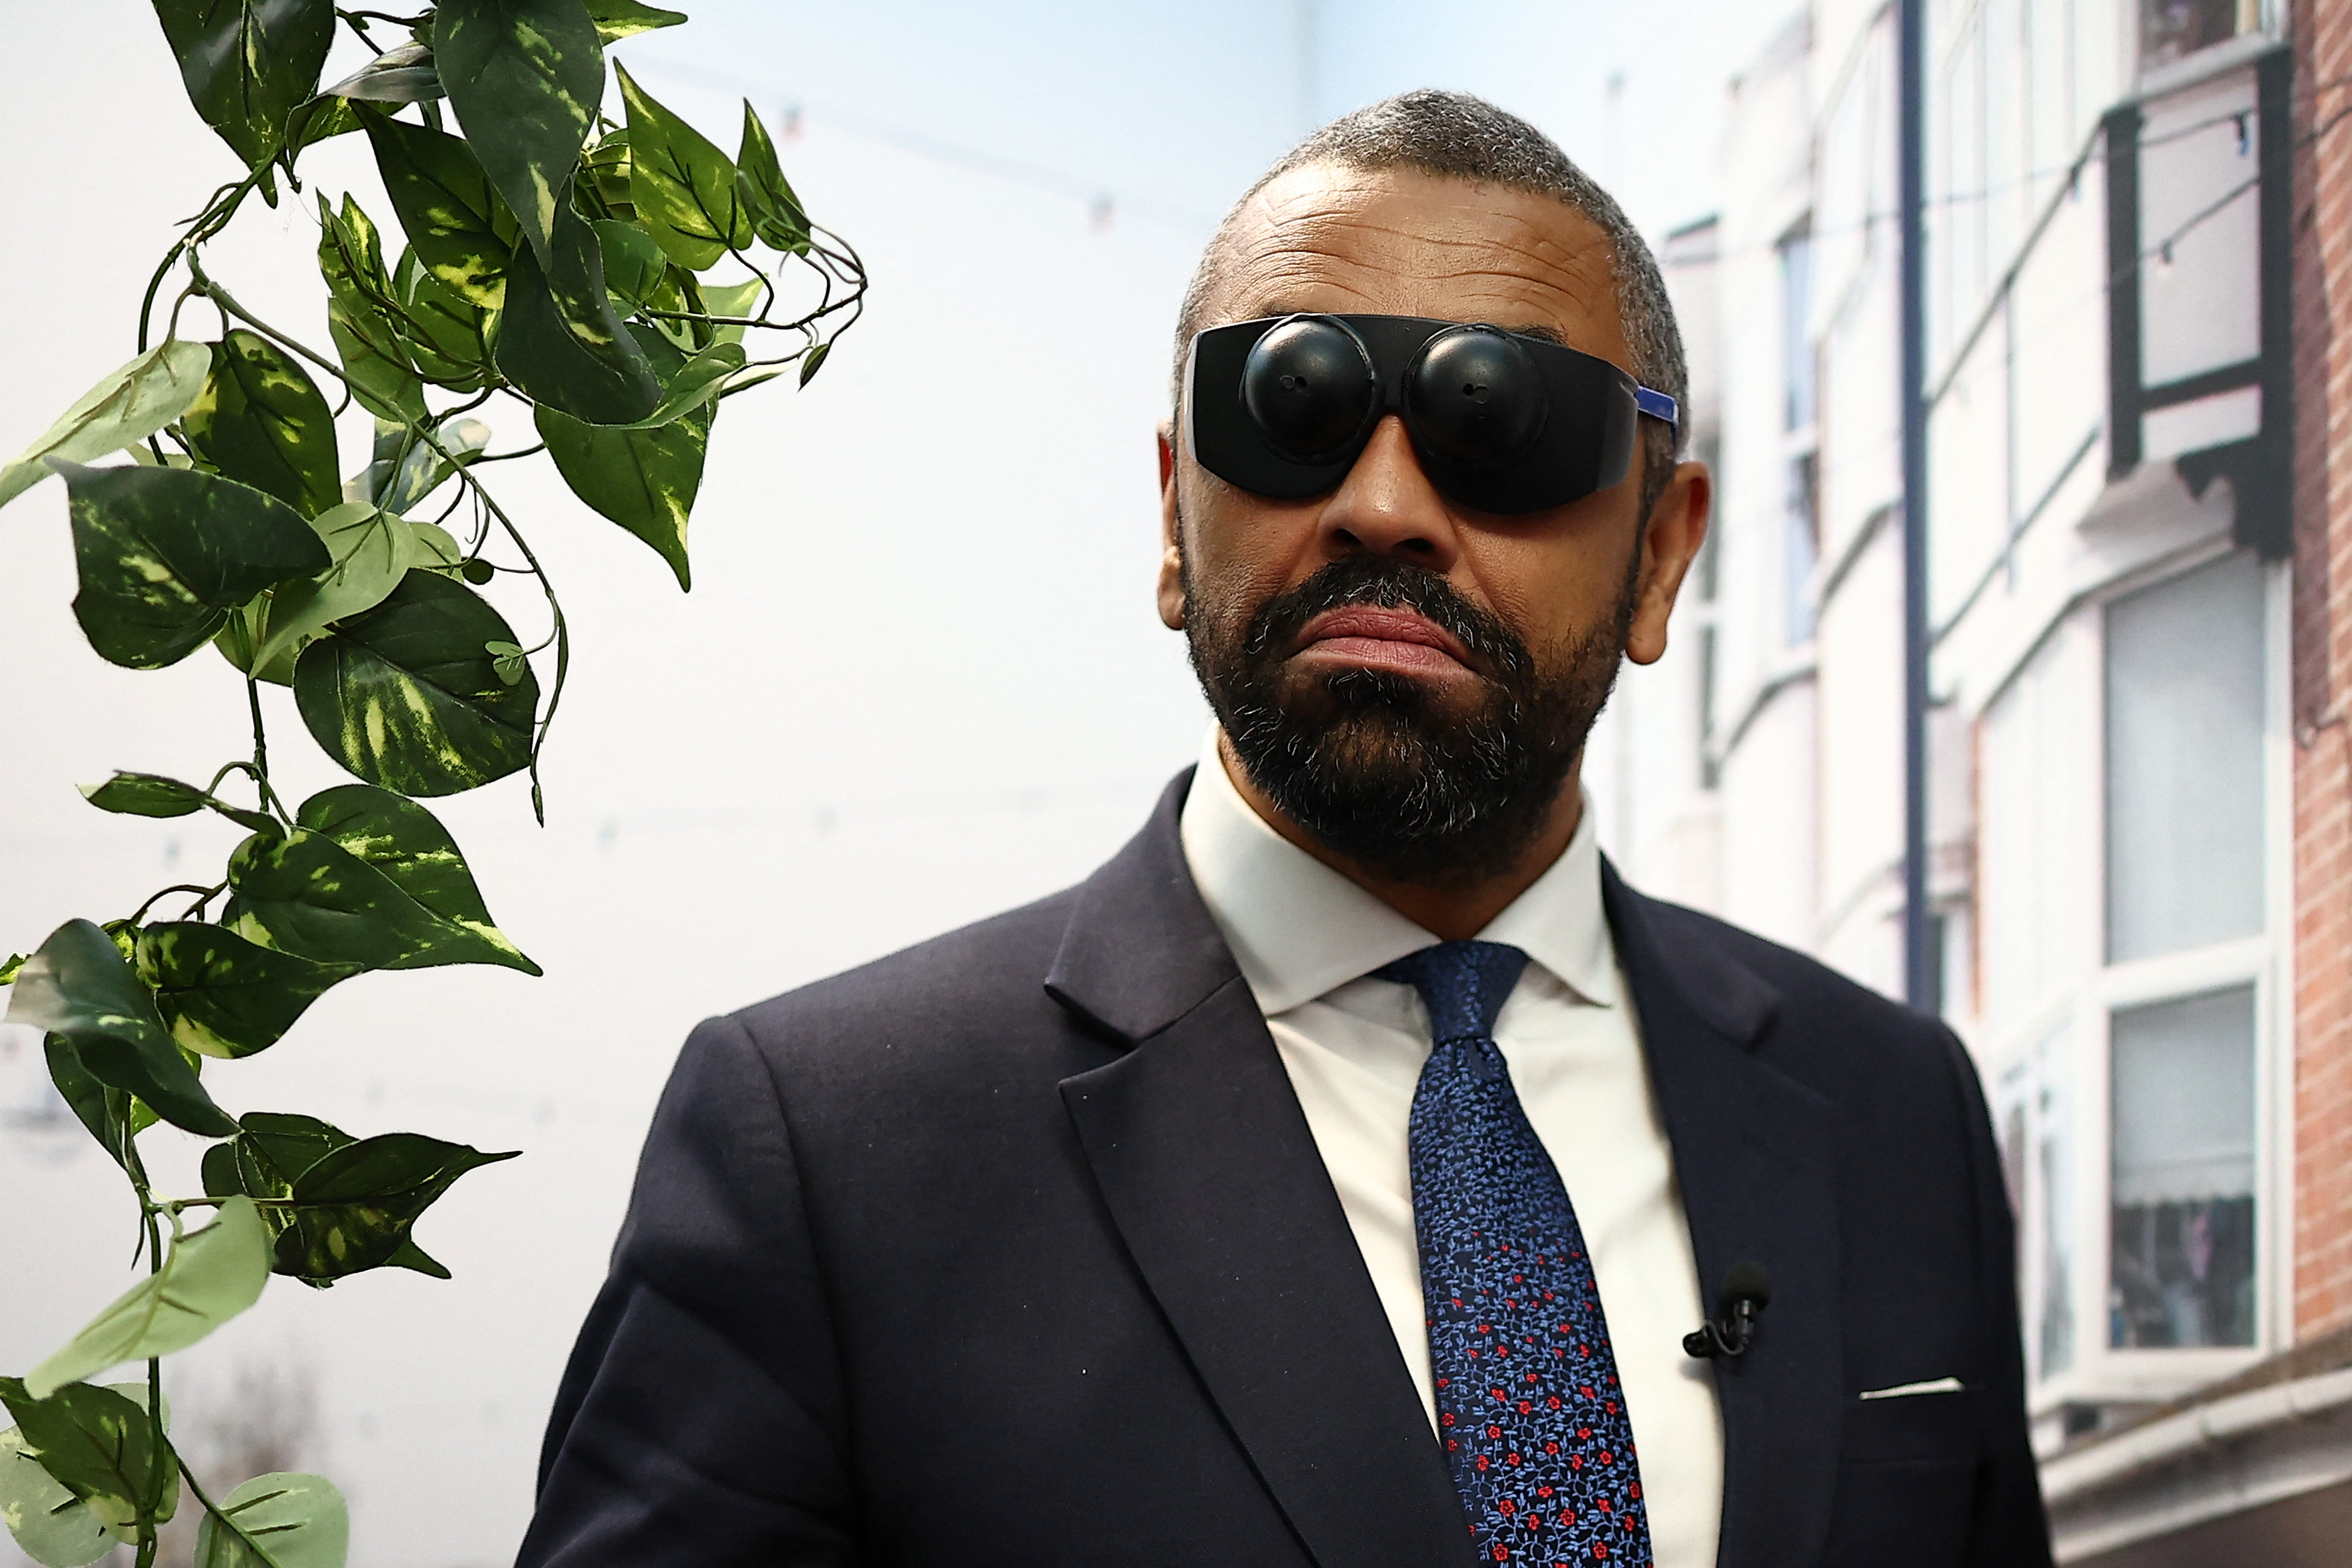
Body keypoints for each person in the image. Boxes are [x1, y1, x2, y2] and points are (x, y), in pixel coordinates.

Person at [517, 90, 2051, 1568]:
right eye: (1291, 404)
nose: (1384, 500)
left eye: (1501, 424)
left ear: (1660, 554)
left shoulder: (1890, 1112)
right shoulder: (827, 1152)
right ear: (1176, 516)